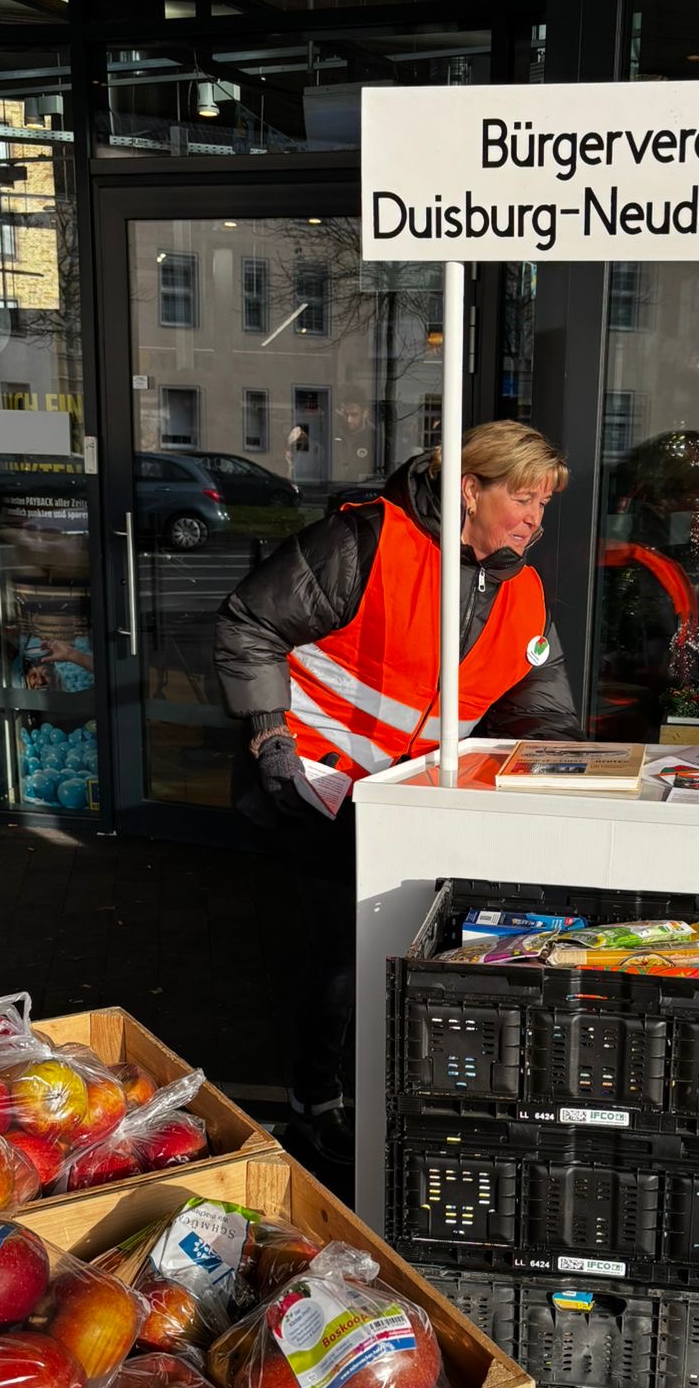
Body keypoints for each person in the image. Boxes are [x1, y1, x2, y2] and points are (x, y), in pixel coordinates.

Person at [214, 419, 583, 1169]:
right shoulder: (366, 542)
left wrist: (567, 771)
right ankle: (315, 1108)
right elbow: (250, 623)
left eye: (544, 504)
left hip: (407, 803)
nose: (535, 520)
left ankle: (382, 1096)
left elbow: (539, 705)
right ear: (470, 489)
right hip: (314, 778)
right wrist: (268, 737)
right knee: (343, 950)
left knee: (398, 946)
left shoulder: (523, 591)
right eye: (522, 498)